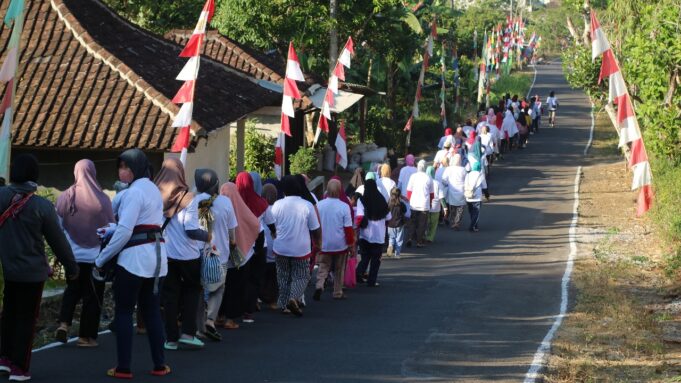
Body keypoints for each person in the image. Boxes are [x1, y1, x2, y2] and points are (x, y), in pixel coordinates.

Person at [0, 154, 79, 381]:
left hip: (9, 269)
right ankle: (20, 368)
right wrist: (71, 267)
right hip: (32, 273)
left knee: (9, 315)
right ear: (34, 175)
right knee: (26, 319)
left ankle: (4, 359)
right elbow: (58, 241)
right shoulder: (41, 205)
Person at [94, 149, 169, 378]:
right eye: (121, 166)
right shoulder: (153, 190)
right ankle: (159, 365)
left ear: (135, 169)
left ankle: (123, 367)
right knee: (152, 312)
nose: (121, 170)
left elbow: (126, 230)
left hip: (134, 260)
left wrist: (101, 258)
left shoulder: (134, 193)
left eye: (125, 167)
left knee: (125, 312)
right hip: (157, 259)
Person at [55, 159, 114, 348]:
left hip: (72, 255)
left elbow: (57, 225)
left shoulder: (66, 196)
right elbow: (112, 227)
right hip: (96, 257)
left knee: (72, 290)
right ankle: (86, 337)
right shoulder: (103, 200)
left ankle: (64, 324)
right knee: (93, 296)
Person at [154, 158, 209, 350]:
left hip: (167, 254)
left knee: (170, 296)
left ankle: (170, 339)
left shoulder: (156, 195)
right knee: (192, 292)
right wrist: (208, 237)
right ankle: (188, 332)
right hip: (189, 255)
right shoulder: (189, 198)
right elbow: (191, 229)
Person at [194, 169, 237, 342]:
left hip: (197, 252)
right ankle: (210, 320)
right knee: (218, 288)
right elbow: (231, 230)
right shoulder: (226, 202)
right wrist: (233, 242)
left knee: (199, 289)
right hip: (220, 253)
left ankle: (198, 326)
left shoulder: (195, 201)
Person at [271, 175, 321, 316]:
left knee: (283, 276)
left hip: (280, 246)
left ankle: (284, 304)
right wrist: (318, 242)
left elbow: (272, 225)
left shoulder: (277, 204)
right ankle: (293, 297)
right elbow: (315, 228)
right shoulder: (307, 205)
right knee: (302, 276)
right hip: (300, 248)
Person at [218, 182, 260, 329]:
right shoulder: (240, 207)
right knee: (235, 288)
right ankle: (230, 318)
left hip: (221, 254)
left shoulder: (218, 206)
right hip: (239, 255)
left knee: (220, 287)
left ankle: (218, 315)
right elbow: (255, 224)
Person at [236, 172, 274, 323]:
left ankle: (234, 311)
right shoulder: (261, 203)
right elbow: (271, 224)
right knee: (254, 279)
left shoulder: (232, 201)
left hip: (238, 244)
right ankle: (248, 312)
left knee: (238, 279)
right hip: (259, 245)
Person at [314, 179, 354, 300]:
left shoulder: (319, 205)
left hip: (324, 243)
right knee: (339, 269)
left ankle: (320, 285)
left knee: (323, 267)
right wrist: (351, 244)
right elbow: (348, 228)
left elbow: (315, 226)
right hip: (340, 244)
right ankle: (337, 292)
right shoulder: (344, 206)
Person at [355, 179, 390, 287]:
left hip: (365, 234)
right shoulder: (381, 199)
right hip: (378, 235)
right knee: (376, 260)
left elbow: (359, 216)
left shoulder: (361, 200)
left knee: (365, 257)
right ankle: (372, 280)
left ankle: (358, 275)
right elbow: (389, 216)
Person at [260, 182, 280, 309]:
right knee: (274, 277)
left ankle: (259, 297)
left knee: (261, 274)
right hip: (275, 246)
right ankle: (273, 300)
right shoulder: (278, 208)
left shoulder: (260, 207)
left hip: (263, 245)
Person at [406, 160, 433, 248]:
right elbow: (431, 193)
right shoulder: (428, 177)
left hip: (414, 203)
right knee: (422, 223)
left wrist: (410, 200)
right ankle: (419, 241)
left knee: (412, 221)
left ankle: (410, 238)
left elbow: (409, 191)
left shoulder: (413, 176)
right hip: (424, 204)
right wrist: (430, 203)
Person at [441, 154, 467, 230]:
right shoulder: (463, 169)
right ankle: (457, 222)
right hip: (461, 191)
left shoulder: (449, 169)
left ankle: (453, 222)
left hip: (452, 190)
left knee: (453, 207)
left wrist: (447, 184)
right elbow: (466, 180)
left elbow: (444, 180)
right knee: (460, 208)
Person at [425, 166, 446, 243]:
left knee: (425, 222)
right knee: (433, 224)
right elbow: (441, 197)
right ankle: (430, 237)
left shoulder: (425, 182)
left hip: (426, 206)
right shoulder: (438, 183)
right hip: (436, 207)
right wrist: (445, 208)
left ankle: (424, 235)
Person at [464, 162, 487, 232]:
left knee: (471, 212)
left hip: (468, 195)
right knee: (476, 212)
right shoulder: (480, 175)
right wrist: (487, 195)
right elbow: (484, 186)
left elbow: (465, 185)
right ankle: (472, 226)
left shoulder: (467, 174)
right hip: (477, 196)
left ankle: (475, 225)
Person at [386, 188, 407, 259]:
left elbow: (386, 212)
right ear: (399, 195)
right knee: (399, 239)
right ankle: (397, 254)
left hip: (390, 223)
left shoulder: (389, 204)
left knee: (391, 238)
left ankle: (390, 246)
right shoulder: (401, 204)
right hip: (399, 224)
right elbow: (405, 211)